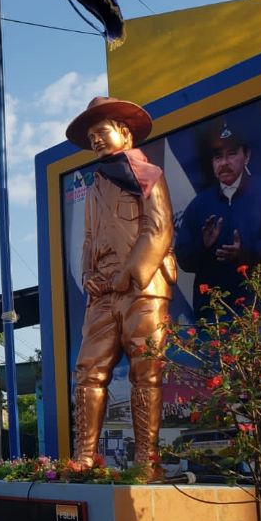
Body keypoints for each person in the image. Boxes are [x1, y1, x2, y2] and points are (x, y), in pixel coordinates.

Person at [65, 97, 176, 475]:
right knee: (88, 371)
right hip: (102, 295)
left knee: (146, 371)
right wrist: (87, 277)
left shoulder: (149, 176)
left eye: (103, 131)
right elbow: (88, 239)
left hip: (142, 288)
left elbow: (158, 229)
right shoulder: (95, 186)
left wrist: (126, 275)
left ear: (125, 134)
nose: (96, 139)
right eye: (92, 135)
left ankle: (147, 461)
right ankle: (84, 458)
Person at [176, 120, 261, 310]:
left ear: (246, 156)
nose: (224, 163)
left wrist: (245, 252)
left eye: (231, 154)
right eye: (217, 157)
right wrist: (203, 245)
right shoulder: (199, 204)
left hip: (260, 310)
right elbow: (184, 260)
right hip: (214, 316)